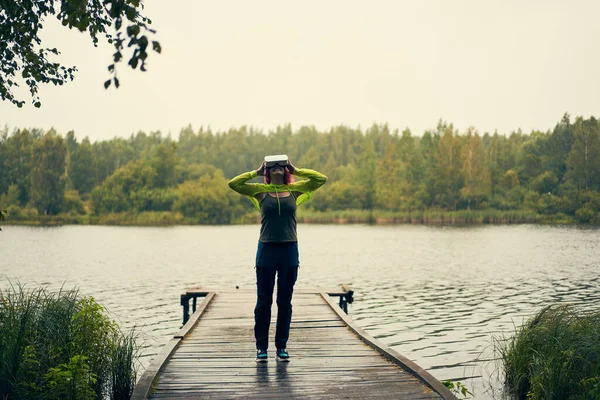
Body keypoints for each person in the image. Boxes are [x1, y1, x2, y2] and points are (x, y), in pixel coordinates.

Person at [228, 158, 327, 362]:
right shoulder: (259, 190)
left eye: (280, 165)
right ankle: (261, 349)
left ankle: (281, 346)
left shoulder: (295, 190)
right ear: (267, 169)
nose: (276, 169)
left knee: (285, 301)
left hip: (289, 250)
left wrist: (297, 169)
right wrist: (255, 172)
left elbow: (320, 179)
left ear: (285, 169)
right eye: (272, 166)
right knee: (263, 301)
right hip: (266, 250)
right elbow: (234, 184)